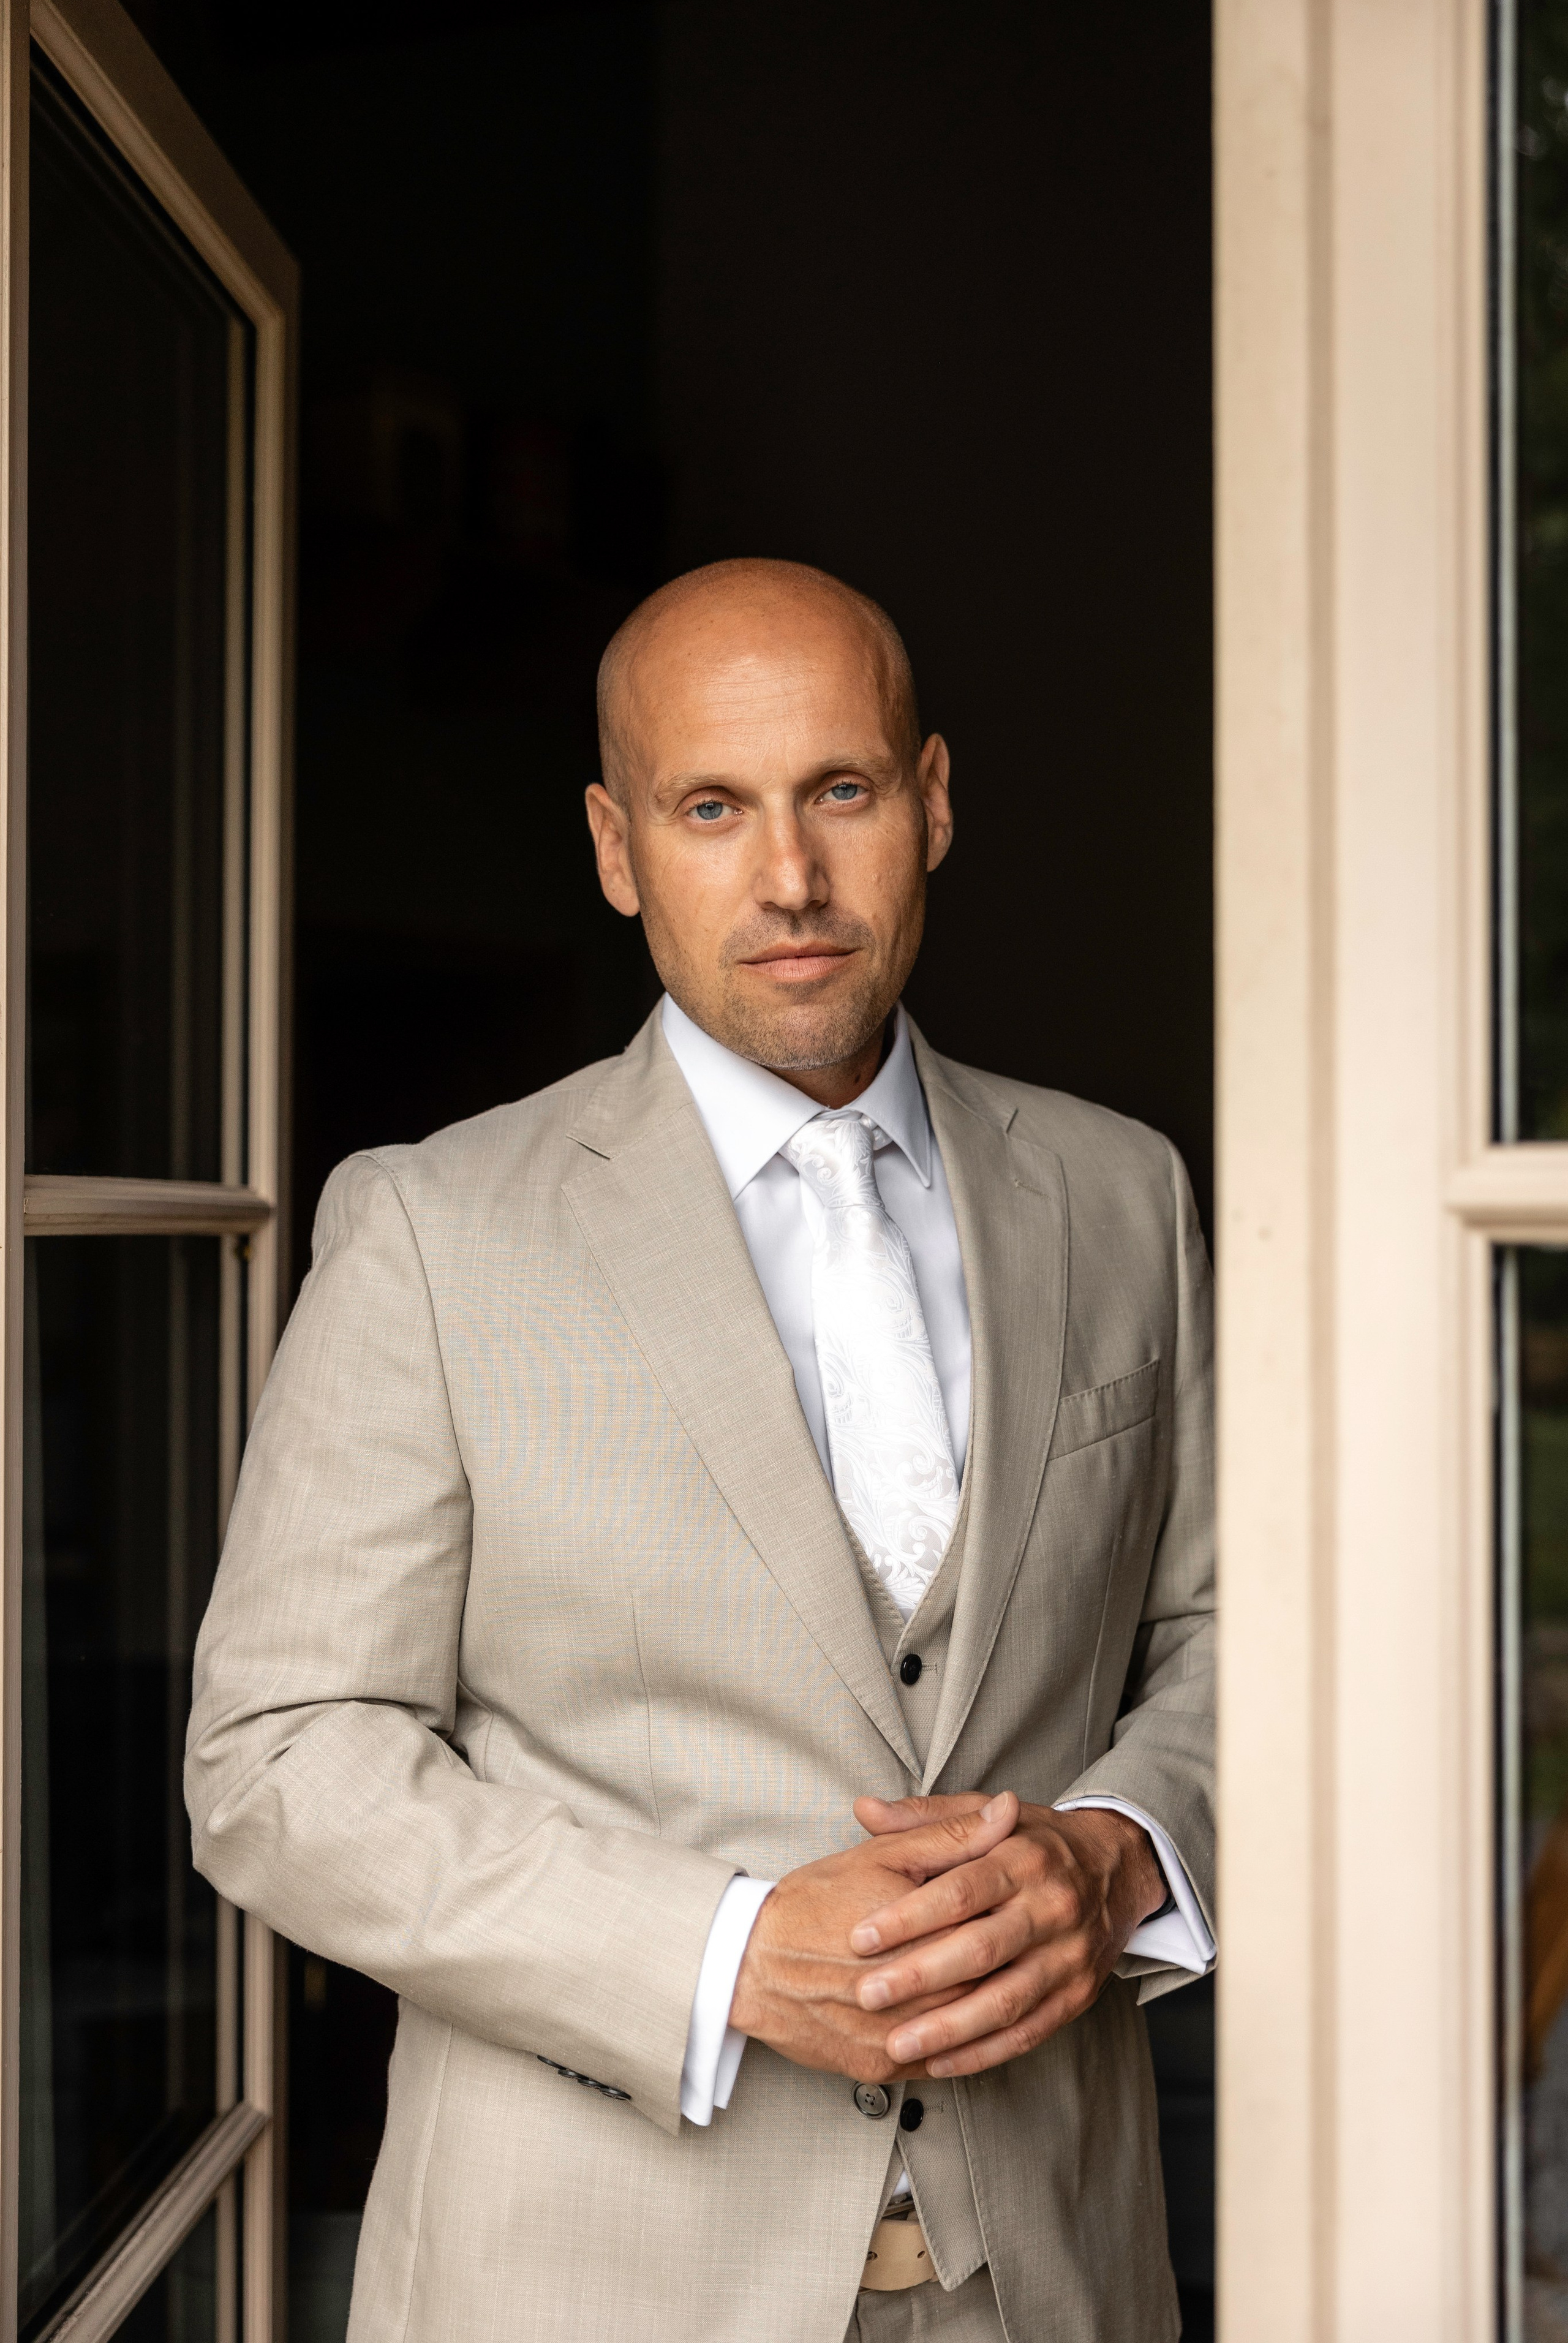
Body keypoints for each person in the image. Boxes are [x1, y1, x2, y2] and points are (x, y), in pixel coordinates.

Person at [187, 558, 1215, 2342]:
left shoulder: (1124, 1193)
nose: (791, 877)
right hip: (582, 2284)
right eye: (712, 808)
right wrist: (723, 1955)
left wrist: (1121, 1854)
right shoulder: (432, 1227)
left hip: (1051, 2272)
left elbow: (1234, 1629)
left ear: (934, 801)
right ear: (616, 847)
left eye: (843, 790)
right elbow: (278, 1758)